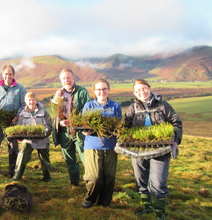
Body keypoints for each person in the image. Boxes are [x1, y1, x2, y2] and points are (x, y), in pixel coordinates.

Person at [124, 79, 182, 220]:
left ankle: (160, 214)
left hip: (160, 150)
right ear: (134, 93)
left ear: (149, 88)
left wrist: (174, 140)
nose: (141, 92)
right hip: (138, 151)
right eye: (137, 90)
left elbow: (176, 122)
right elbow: (125, 126)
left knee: (158, 182)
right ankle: (147, 208)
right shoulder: (133, 108)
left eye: (144, 88)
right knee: (141, 180)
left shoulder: (162, 104)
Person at [80, 78, 122, 208]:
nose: (101, 91)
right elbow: (82, 126)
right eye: (98, 89)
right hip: (92, 145)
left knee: (109, 177)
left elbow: (119, 126)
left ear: (109, 90)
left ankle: (105, 202)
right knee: (94, 177)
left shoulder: (115, 106)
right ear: (94, 91)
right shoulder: (89, 106)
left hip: (111, 146)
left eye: (104, 89)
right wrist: (85, 132)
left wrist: (118, 133)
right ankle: (90, 199)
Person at [51, 68, 91, 186]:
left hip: (79, 131)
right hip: (64, 132)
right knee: (70, 160)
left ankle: (91, 183)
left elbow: (87, 112)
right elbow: (55, 110)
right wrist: (56, 98)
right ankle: (74, 184)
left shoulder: (82, 92)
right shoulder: (59, 93)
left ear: (74, 78)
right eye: (63, 78)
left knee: (85, 158)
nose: (66, 80)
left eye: (68, 77)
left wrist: (72, 122)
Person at [0, 64, 26, 178]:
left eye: (10, 74)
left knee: (13, 146)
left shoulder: (20, 88)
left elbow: (24, 104)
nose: (8, 76)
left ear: (13, 75)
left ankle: (13, 172)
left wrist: (18, 116)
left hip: (13, 120)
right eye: (6, 74)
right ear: (2, 74)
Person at [5, 92, 53, 183]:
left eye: (33, 100)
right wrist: (20, 136)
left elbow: (49, 126)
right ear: (26, 101)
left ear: (36, 100)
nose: (31, 102)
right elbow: (20, 126)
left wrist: (45, 133)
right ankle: (16, 177)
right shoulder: (23, 113)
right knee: (22, 156)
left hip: (42, 140)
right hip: (28, 140)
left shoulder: (44, 112)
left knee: (44, 160)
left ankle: (47, 178)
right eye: (29, 100)